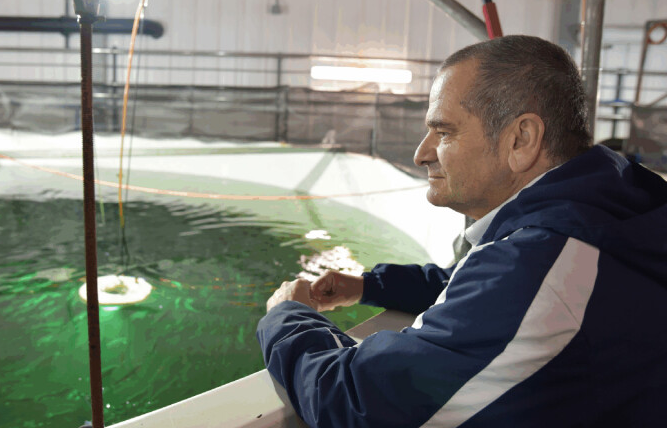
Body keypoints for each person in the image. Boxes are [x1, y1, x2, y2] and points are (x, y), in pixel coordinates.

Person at [256, 35, 667, 427]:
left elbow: (355, 401)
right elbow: (482, 288)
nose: (422, 153)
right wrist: (368, 286)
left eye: (444, 131)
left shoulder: (543, 264)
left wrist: (288, 316)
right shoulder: (607, 206)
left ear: (521, 139)